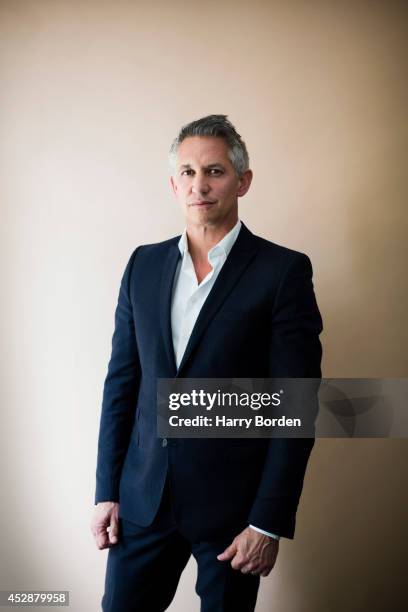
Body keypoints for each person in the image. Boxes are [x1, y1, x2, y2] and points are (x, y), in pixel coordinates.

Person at [91, 114, 323, 612]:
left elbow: (297, 406)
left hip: (233, 514)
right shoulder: (142, 265)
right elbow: (121, 386)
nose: (200, 185)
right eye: (189, 173)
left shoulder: (282, 272)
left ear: (243, 181)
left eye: (215, 171)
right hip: (142, 502)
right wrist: (106, 492)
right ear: (174, 184)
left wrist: (267, 522)